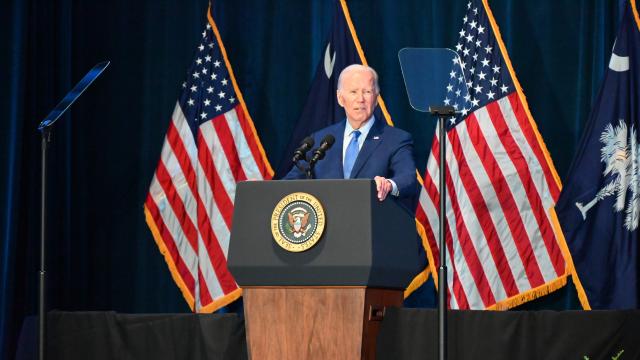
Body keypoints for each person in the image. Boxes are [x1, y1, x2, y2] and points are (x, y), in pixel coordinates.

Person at [284, 64, 417, 205]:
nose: (360, 99)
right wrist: (263, 189)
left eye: (367, 92)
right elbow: (292, 181)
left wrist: (389, 185)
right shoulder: (320, 140)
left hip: (372, 222)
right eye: (353, 92)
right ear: (340, 98)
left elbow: (407, 178)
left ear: (376, 98)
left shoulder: (396, 139)